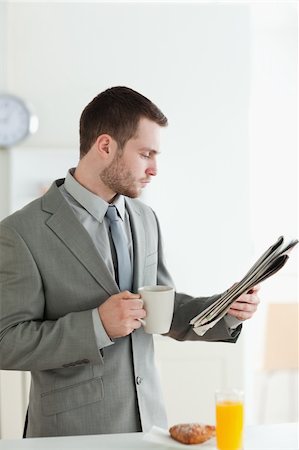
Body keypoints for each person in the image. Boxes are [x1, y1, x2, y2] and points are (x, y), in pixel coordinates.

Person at [0, 86, 260, 438]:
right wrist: (96, 326)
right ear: (105, 146)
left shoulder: (144, 218)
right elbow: (7, 341)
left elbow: (160, 309)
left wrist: (224, 309)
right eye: (146, 154)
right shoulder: (21, 231)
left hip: (149, 428)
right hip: (70, 435)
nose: (154, 169)